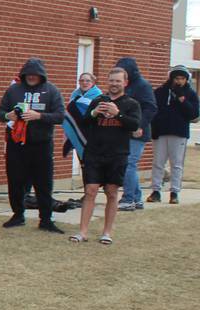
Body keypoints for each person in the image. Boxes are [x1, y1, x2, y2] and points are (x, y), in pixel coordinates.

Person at [0, 57, 66, 232]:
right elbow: (0, 113)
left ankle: (46, 219)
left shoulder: (51, 91)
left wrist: (39, 116)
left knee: (43, 183)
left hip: (41, 145)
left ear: (41, 75)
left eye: (36, 74)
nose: (32, 77)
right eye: (29, 74)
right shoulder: (13, 90)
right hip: (17, 144)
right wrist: (8, 116)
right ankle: (18, 215)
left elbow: (60, 116)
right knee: (15, 181)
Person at [71, 67, 140, 245]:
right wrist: (95, 113)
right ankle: (82, 232)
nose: (114, 84)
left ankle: (107, 232)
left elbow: (134, 125)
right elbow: (84, 122)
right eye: (111, 81)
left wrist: (118, 114)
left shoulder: (131, 104)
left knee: (111, 192)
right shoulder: (98, 100)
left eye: (118, 81)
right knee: (90, 190)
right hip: (94, 152)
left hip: (117, 154)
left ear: (125, 83)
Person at [148, 65, 198, 204]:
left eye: (182, 78)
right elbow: (153, 110)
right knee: (158, 162)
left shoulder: (190, 94)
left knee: (176, 164)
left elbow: (194, 114)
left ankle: (174, 192)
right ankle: (156, 190)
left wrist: (183, 100)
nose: (179, 81)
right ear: (172, 78)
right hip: (160, 132)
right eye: (177, 78)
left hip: (179, 132)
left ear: (186, 80)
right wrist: (154, 127)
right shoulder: (160, 92)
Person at [114, 57, 156, 211]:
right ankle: (137, 199)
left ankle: (128, 199)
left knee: (128, 164)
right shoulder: (126, 85)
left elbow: (151, 108)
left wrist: (139, 126)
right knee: (128, 164)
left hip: (138, 133)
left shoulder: (142, 85)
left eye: (123, 72)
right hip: (124, 131)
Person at [62, 72, 102, 161]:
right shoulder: (74, 95)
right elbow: (70, 114)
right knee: (82, 161)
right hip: (78, 130)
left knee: (92, 162)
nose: (84, 83)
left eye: (88, 81)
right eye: (82, 81)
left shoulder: (99, 96)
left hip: (93, 133)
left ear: (93, 82)